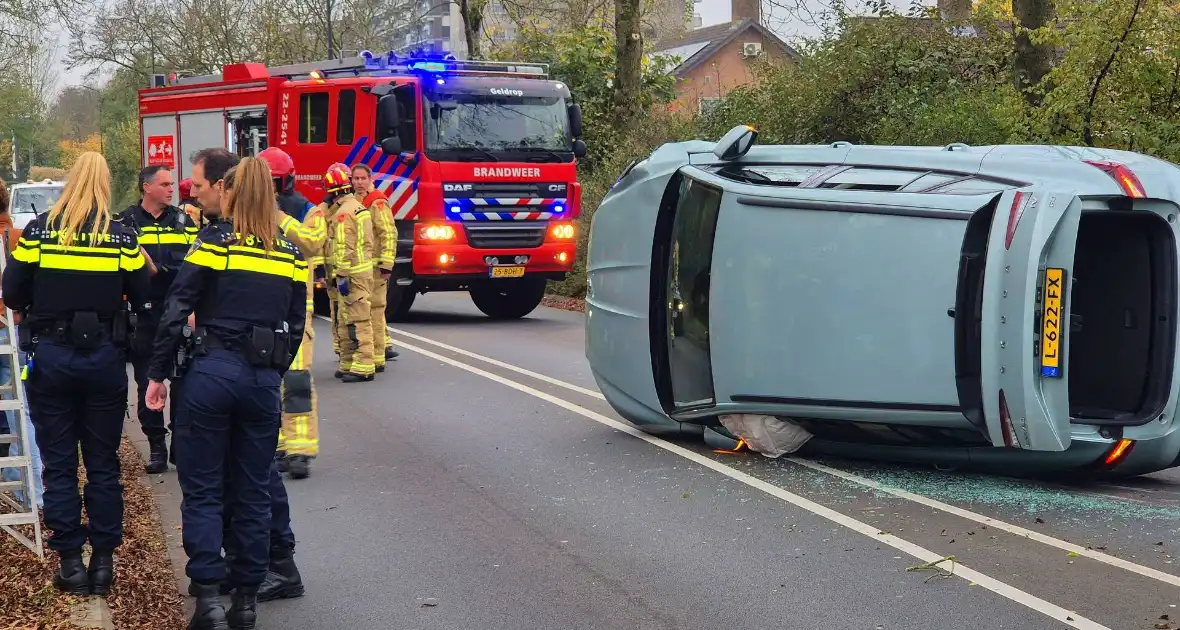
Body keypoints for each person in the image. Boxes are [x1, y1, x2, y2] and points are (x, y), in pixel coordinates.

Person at [145, 155, 306, 629]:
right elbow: (295, 327)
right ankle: (248, 602)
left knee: (203, 490)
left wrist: (157, 375)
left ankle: (210, 601)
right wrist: (272, 374)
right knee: (254, 491)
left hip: (212, 373)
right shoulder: (290, 254)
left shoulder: (215, 241)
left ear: (232, 192)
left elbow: (178, 308)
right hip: (261, 379)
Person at [1, 151, 151, 595]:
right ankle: (103, 562)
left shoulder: (40, 231)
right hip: (104, 358)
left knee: (61, 466)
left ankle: (70, 562)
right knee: (104, 464)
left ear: (69, 182)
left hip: (52, 358)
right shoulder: (122, 238)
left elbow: (11, 293)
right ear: (105, 185)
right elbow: (144, 297)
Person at [116, 165, 199, 473]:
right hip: (144, 315)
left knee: (182, 383)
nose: (170, 189)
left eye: (171, 184)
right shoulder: (124, 222)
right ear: (146, 188)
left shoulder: (184, 221)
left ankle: (180, 443)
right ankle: (155, 447)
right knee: (146, 382)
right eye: (164, 184)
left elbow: (196, 267)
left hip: (178, 312)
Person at [259, 148, 325, 479]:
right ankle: (279, 445)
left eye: (271, 182)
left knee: (296, 380)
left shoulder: (306, 210)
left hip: (296, 312)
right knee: (266, 380)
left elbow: (314, 243)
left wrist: (279, 217)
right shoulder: (248, 211)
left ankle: (300, 449)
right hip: (259, 309)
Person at [322, 163, 376, 382]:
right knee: (346, 320)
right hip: (360, 272)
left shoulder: (344, 214)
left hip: (352, 274)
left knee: (358, 320)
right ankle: (347, 363)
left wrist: (341, 273)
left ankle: (364, 365)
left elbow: (345, 246)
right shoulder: (357, 206)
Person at [350, 164, 398, 368]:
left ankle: (378, 356)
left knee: (375, 310)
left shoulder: (376, 201)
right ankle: (380, 347)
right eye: (355, 179)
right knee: (366, 311)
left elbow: (388, 232)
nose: (359, 182)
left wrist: (386, 265)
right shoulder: (353, 200)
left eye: (363, 178)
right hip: (361, 267)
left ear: (370, 179)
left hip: (376, 267)